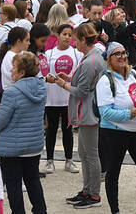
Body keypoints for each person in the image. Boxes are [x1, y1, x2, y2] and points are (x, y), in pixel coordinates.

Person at [95, 41, 136, 214]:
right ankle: (115, 211)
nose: (122, 56)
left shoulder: (134, 75)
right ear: (109, 59)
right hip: (114, 133)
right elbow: (105, 112)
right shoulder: (105, 80)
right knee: (113, 173)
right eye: (117, 54)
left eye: (124, 52)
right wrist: (132, 113)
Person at [51, 22, 106, 209]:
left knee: (90, 154)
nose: (73, 43)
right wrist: (68, 79)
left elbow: (81, 91)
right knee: (85, 153)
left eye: (75, 39)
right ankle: (88, 190)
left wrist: (63, 84)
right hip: (87, 111)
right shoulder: (92, 57)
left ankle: (94, 194)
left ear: (83, 40)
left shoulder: (91, 60)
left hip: (88, 112)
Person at [0, 51, 48, 214]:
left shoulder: (12, 92)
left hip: (12, 147)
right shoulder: (41, 88)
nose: (11, 71)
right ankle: (40, 211)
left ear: (22, 72)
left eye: (14, 68)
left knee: (13, 184)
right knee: (33, 181)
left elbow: (0, 121)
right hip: (34, 144)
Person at [42, 24, 82, 174]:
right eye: (64, 34)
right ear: (57, 36)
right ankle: (49, 160)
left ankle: (69, 160)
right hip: (52, 98)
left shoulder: (76, 53)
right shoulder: (49, 53)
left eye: (69, 35)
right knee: (51, 130)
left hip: (68, 97)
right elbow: (44, 73)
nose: (67, 37)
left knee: (68, 130)